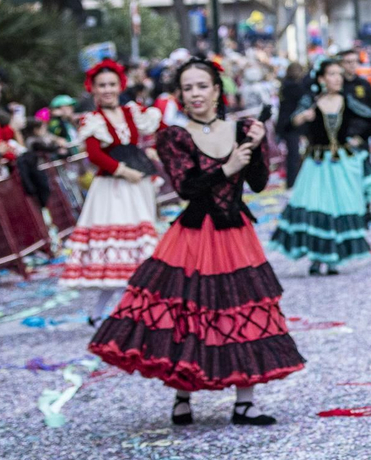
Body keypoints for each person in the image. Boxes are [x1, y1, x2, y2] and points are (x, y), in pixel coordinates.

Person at [89, 59, 304, 426]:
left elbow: (258, 184)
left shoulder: (241, 129)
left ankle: (245, 401)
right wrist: (227, 167)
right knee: (189, 310)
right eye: (188, 88)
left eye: (202, 86)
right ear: (181, 96)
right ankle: (182, 395)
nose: (195, 94)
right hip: (194, 234)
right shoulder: (175, 136)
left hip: (236, 234)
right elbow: (186, 187)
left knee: (242, 310)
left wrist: (255, 147)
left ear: (217, 90)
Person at [61, 60, 163, 317]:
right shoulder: (93, 119)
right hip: (112, 188)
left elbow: (158, 127)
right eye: (101, 85)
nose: (107, 90)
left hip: (136, 186)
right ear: (93, 89)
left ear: (120, 86)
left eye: (111, 84)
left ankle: (105, 313)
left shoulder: (131, 112)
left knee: (135, 249)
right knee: (119, 250)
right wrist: (123, 171)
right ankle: (116, 312)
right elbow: (94, 155)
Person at [270, 59, 371, 275]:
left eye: (339, 74)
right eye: (332, 74)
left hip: (340, 164)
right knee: (315, 206)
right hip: (316, 164)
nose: (337, 79)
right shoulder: (310, 101)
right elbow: (286, 124)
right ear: (321, 79)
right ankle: (317, 258)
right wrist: (300, 118)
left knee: (338, 208)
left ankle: (334, 258)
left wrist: (358, 138)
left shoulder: (347, 101)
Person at [277, 61, 310, 187]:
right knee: (294, 155)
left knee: (293, 155)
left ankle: (293, 181)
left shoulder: (285, 85)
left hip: (286, 123)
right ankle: (292, 182)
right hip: (291, 125)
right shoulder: (294, 87)